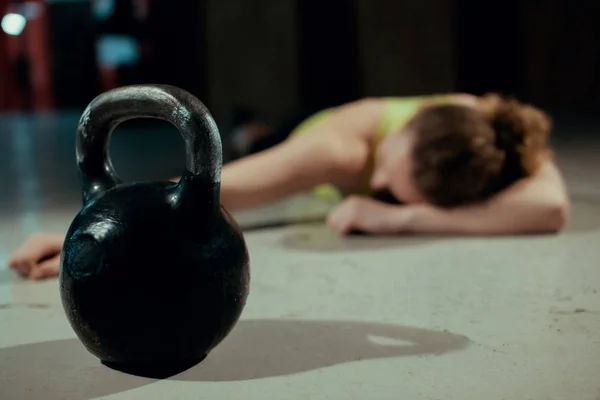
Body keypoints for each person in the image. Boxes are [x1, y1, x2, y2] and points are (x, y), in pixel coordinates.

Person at [8, 92, 569, 280]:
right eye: (387, 175)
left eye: (394, 191)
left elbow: (550, 206)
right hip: (298, 138)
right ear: (411, 123)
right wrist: (97, 232)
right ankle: (250, 125)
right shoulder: (338, 152)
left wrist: (402, 218)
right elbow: (208, 188)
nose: (376, 185)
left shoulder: (481, 126)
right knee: (252, 143)